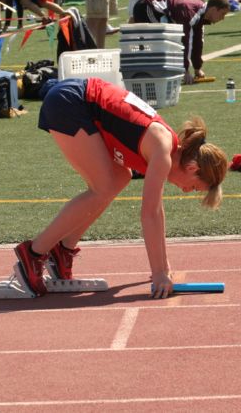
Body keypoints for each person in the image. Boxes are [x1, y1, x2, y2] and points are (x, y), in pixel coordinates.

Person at [12, 78, 228, 298]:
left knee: (120, 178)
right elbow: (150, 214)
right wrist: (159, 272)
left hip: (78, 103)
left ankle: (62, 251)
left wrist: (163, 267)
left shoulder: (166, 148)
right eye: (193, 187)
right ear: (192, 168)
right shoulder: (163, 151)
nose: (185, 191)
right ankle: (33, 253)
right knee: (103, 187)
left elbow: (157, 211)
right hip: (69, 102)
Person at [133, 0, 230, 82]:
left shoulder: (200, 13)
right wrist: (185, 71)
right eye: (222, 14)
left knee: (169, 37)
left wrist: (197, 68)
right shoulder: (191, 13)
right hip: (147, 7)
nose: (223, 18)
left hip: (163, 12)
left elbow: (198, 42)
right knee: (161, 40)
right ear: (213, 9)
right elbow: (186, 41)